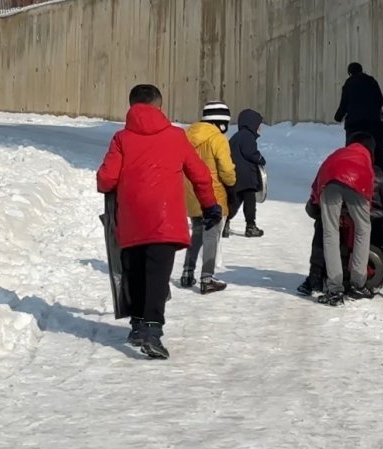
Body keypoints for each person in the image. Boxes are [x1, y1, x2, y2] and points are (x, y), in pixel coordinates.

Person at [96, 84, 221, 359]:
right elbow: (200, 174)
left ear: (130, 107)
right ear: (159, 107)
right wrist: (210, 205)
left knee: (136, 273)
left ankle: (138, 325)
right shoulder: (176, 137)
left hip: (131, 221)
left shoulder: (121, 139)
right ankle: (153, 331)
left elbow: (106, 179)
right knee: (157, 277)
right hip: (165, 222)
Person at [299, 161, 383, 299]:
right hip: (342, 227)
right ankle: (315, 276)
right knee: (322, 223)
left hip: (371, 229)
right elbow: (312, 209)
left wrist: (364, 215)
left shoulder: (380, 178)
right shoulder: (335, 174)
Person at [307, 131, 376, 306]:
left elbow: (319, 177)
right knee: (363, 230)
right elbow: (369, 185)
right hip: (358, 181)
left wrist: (316, 200)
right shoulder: (366, 157)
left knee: (330, 233)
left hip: (330, 180)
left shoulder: (338, 153)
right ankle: (358, 284)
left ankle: (335, 289)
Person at [181, 101, 237, 294]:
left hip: (190, 193)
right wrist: (232, 183)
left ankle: (187, 272)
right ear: (221, 122)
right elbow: (226, 170)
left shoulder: (186, 135)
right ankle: (207, 277)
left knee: (196, 232)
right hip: (213, 194)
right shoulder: (218, 139)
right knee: (211, 235)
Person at [334, 62, 383, 170]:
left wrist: (338, 117)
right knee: (377, 150)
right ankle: (381, 173)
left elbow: (344, 104)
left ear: (349, 72)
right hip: (373, 123)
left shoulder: (349, 83)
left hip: (354, 124)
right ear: (361, 70)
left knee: (352, 150)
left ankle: (353, 171)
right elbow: (380, 100)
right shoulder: (371, 81)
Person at [226, 108, 267, 238]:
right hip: (247, 178)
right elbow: (250, 153)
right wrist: (260, 159)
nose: (259, 129)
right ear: (252, 124)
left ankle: (224, 223)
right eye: (258, 126)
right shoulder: (248, 136)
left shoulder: (236, 137)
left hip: (235, 175)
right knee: (250, 202)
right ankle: (251, 226)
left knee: (234, 201)